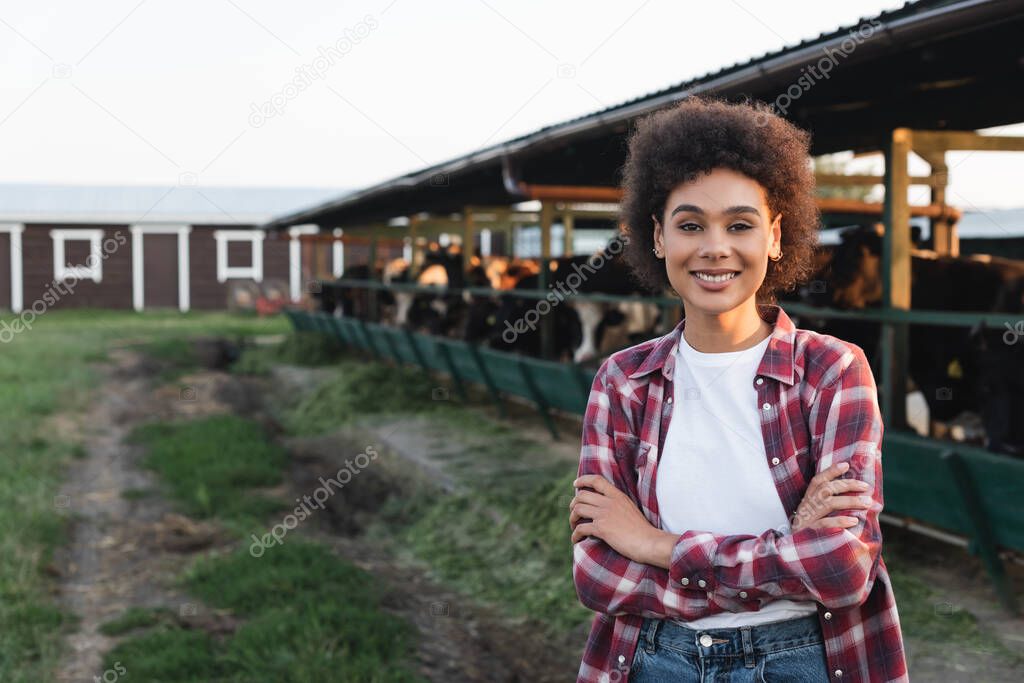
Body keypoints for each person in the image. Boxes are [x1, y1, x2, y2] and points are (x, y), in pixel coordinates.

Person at [568, 96, 907, 683]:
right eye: (691, 224)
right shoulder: (622, 381)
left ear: (775, 236)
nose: (715, 247)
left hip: (803, 660)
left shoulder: (832, 371)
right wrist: (786, 549)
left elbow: (843, 568)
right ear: (658, 237)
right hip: (655, 660)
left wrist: (656, 547)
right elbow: (597, 575)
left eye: (741, 225)